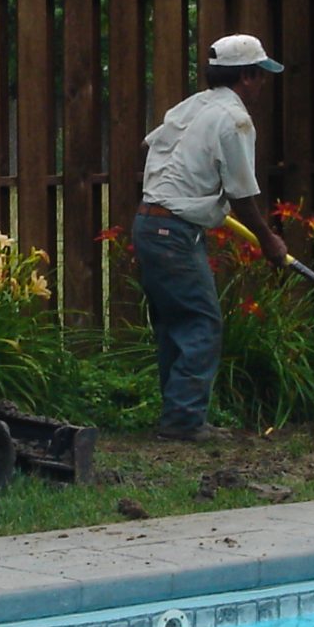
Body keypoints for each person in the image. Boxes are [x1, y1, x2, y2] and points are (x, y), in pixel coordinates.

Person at [131, 34, 291, 441]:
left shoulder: (191, 106)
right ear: (248, 77)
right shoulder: (234, 120)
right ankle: (184, 422)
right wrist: (269, 240)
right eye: (261, 76)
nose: (263, 85)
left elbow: (151, 146)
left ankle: (177, 418)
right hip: (174, 230)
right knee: (201, 321)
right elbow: (242, 193)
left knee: (173, 323)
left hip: (150, 223)